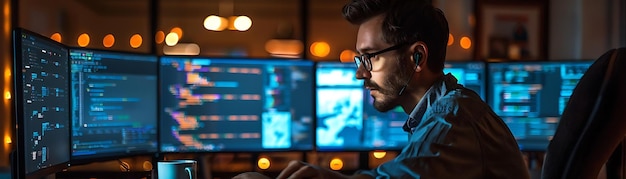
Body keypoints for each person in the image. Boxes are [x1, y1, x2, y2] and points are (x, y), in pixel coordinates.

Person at [235, 0, 530, 178]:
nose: (360, 73)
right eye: (359, 59)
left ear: (417, 57)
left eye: (370, 57)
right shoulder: (445, 111)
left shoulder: (453, 119)